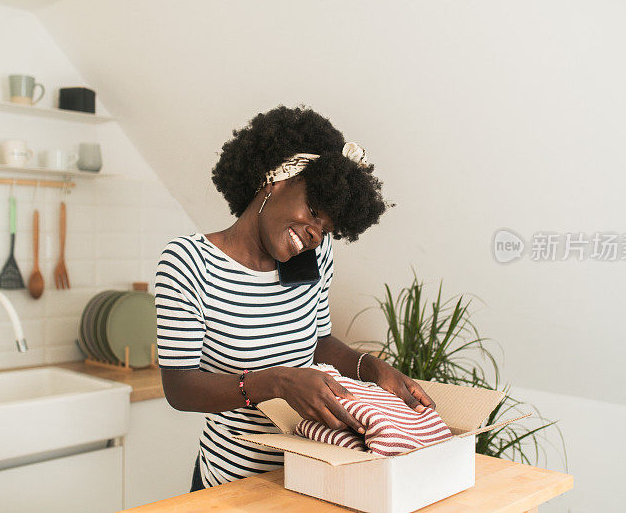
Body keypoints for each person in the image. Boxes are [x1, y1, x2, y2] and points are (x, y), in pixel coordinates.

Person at [154, 105, 435, 492]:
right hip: (230, 485)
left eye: (326, 228)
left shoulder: (312, 257)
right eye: (313, 211)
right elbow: (180, 388)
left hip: (310, 477)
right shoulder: (188, 263)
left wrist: (372, 368)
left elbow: (317, 342)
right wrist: (279, 382)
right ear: (275, 180)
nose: (316, 235)